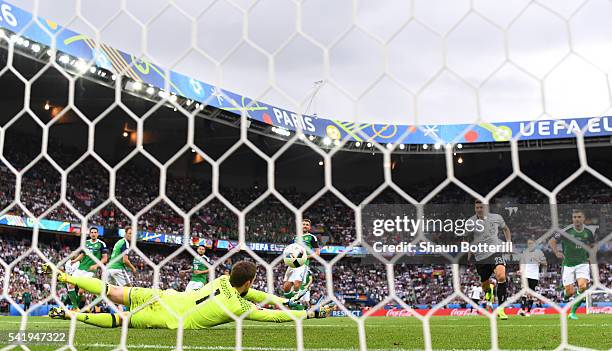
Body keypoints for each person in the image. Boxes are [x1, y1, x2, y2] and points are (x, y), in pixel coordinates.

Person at [45, 260, 331, 329]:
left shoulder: (221, 278)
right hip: (170, 318)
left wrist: (281, 299)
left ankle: (66, 277)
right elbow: (272, 318)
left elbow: (255, 294)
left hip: (167, 296)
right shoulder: (237, 307)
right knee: (121, 321)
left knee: (112, 290)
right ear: (247, 281)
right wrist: (308, 312)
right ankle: (71, 314)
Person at [466, 200, 511, 319]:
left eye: (481, 207)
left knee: (501, 276)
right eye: (477, 208)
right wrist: (469, 253)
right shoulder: (470, 222)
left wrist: (508, 243)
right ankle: (489, 291)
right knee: (485, 285)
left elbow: (506, 229)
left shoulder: (497, 218)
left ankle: (501, 309)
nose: (479, 209)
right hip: (480, 257)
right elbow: (468, 238)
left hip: (495, 252)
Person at [548, 209, 595, 320]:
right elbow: (551, 241)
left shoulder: (588, 232)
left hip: (582, 264)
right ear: (572, 219)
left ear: (583, 219)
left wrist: (591, 255)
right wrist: (556, 252)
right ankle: (567, 295)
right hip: (568, 264)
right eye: (574, 217)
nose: (576, 219)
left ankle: (572, 312)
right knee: (570, 292)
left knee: (582, 286)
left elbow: (593, 244)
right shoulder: (566, 231)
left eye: (579, 217)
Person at [68, 227, 108, 308]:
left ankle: (76, 307)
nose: (93, 234)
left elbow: (105, 258)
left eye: (95, 232)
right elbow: (82, 254)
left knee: (81, 291)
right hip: (80, 268)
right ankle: (75, 307)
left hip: (90, 270)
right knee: (70, 285)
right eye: (92, 232)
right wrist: (75, 260)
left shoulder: (101, 244)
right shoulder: (86, 243)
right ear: (89, 234)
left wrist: (96, 265)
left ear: (97, 234)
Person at [282, 219, 319, 305]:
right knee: (286, 287)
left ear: (309, 227)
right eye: (303, 224)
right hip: (292, 264)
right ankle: (290, 302)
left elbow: (317, 253)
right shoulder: (295, 237)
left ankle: (297, 304)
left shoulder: (311, 237)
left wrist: (305, 257)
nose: (305, 226)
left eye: (307, 224)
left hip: (302, 263)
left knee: (297, 283)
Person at [518, 239, 546, 316]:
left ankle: (529, 311)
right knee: (524, 292)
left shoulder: (539, 253)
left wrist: (538, 260)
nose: (530, 245)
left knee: (531, 294)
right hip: (526, 275)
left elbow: (545, 263)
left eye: (531, 244)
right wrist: (520, 270)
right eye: (529, 244)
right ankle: (523, 310)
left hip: (534, 276)